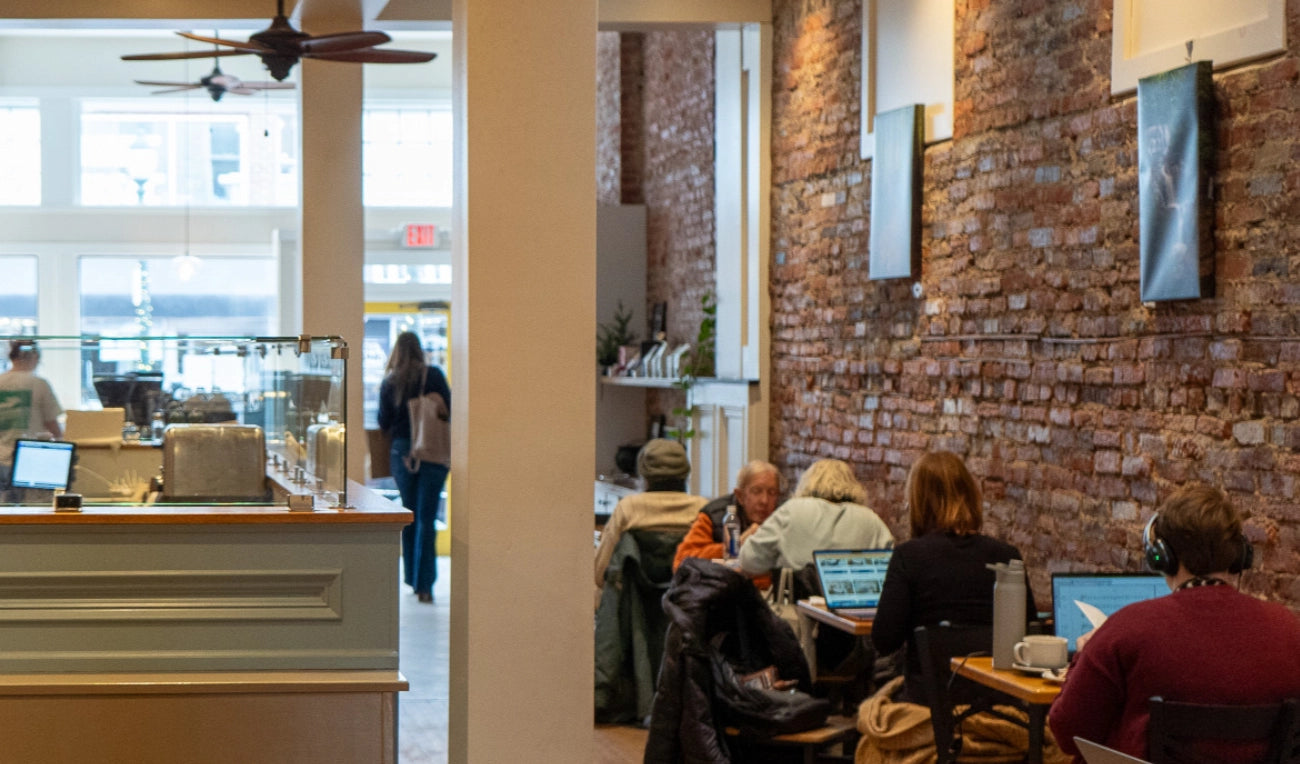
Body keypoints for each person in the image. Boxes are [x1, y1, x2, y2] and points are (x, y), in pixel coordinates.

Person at [1048, 483, 1300, 763]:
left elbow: (1067, 732)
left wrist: (1083, 655)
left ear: (1162, 556)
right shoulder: (1289, 629)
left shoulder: (1126, 629)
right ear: (1240, 555)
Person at [870, 451, 1033, 704]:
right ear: (970, 495)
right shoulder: (1007, 556)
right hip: (1002, 702)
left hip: (928, 704)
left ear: (918, 502)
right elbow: (1029, 630)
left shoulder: (909, 557)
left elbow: (885, 640)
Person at [377, 332, 450, 604]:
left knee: (409, 514)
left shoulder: (391, 381)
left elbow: (383, 422)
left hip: (402, 452)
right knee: (426, 517)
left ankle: (411, 577)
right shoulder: (434, 375)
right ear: (419, 350)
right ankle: (425, 584)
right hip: (432, 449)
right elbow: (450, 411)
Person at [737, 458, 892, 576]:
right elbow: (891, 567)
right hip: (853, 604)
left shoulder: (792, 510)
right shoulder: (870, 519)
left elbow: (749, 560)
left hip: (797, 602)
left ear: (808, 481)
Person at [594, 438, 707, 595]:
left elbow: (600, 573)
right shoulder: (702, 508)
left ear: (644, 476)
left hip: (636, 605)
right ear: (686, 474)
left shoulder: (628, 508)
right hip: (690, 603)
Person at [672, 459, 783, 585]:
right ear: (740, 496)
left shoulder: (783, 517)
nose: (764, 501)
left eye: (772, 493)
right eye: (756, 491)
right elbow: (680, 563)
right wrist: (733, 548)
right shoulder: (714, 515)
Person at [0, 340, 63, 502]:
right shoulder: (39, 384)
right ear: (34, 357)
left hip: (1, 456)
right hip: (28, 458)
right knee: (28, 507)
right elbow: (51, 423)